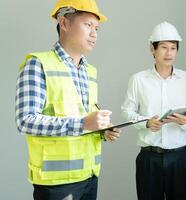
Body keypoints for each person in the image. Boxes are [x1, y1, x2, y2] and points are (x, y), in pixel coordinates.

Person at [15, 0, 120, 199]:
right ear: (64, 23)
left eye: (97, 28)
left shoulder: (90, 71)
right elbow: (25, 121)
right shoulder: (38, 65)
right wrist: (83, 123)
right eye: (88, 25)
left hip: (90, 176)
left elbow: (84, 117)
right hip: (57, 184)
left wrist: (102, 130)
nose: (94, 33)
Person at [121, 21, 186, 200]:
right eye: (164, 47)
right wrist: (146, 123)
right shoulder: (138, 80)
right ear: (152, 49)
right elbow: (127, 111)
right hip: (149, 158)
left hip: (179, 157)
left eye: (173, 48)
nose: (169, 53)